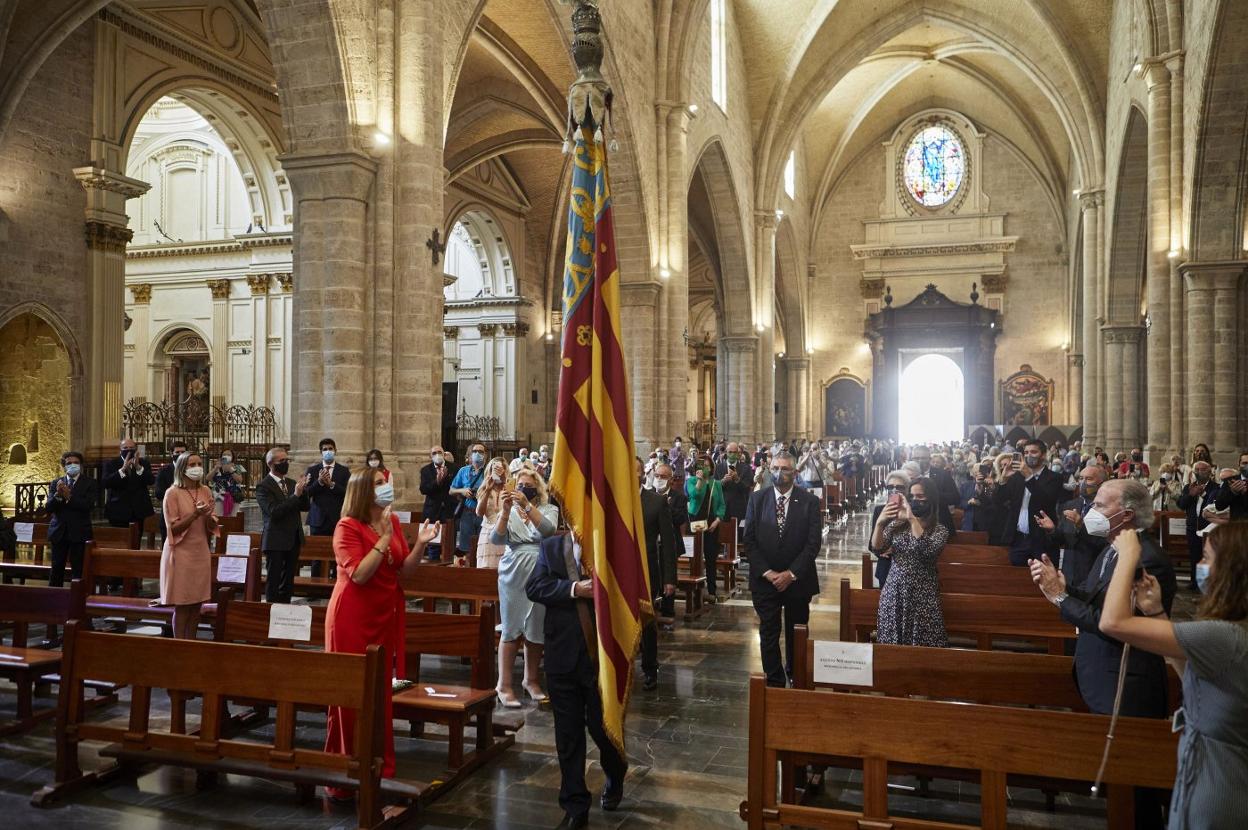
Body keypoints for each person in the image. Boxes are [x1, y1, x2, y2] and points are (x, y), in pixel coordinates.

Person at [1099, 522, 1248, 830]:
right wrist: (1155, 612)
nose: (1199, 566)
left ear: (1232, 570)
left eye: (1206, 558)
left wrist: (1127, 554)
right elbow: (1197, 681)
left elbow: (1113, 622)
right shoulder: (1231, 633)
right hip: (1207, 770)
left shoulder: (1224, 636)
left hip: (1219, 786)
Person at [323, 466, 440, 803]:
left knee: (379, 693)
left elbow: (403, 571)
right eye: (378, 483)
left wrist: (419, 544)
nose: (385, 486)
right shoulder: (347, 527)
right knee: (350, 694)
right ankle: (346, 770)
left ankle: (378, 766)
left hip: (382, 614)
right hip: (351, 617)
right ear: (362, 491)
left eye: (384, 482)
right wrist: (385, 538)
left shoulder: (393, 523)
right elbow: (358, 575)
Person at [1028, 478, 1177, 718]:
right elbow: (1097, 599)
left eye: (1099, 506)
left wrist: (1061, 598)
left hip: (1124, 682)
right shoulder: (1111, 548)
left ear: (1126, 514)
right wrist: (1064, 587)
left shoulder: (1146, 560)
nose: (1090, 512)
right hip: (1100, 673)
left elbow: (1115, 624)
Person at [526, 534, 628, 829]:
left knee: (601, 727)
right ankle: (575, 806)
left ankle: (616, 770)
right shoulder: (552, 547)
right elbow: (534, 586)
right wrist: (573, 589)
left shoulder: (610, 545)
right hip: (562, 654)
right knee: (567, 735)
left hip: (600, 658)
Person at [743, 451, 822, 687]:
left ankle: (796, 674)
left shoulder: (809, 501)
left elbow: (812, 543)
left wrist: (791, 574)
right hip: (765, 580)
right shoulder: (758, 499)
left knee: (797, 632)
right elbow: (749, 541)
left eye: (785, 469)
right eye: (775, 468)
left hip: (798, 580)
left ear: (795, 472)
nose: (779, 473)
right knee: (768, 631)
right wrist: (767, 572)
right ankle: (774, 681)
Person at [489, 467, 558, 707]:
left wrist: (528, 506)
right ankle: (504, 684)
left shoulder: (549, 509)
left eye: (528, 485)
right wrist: (506, 512)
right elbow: (496, 540)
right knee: (511, 628)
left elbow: (548, 531)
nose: (523, 489)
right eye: (520, 486)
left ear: (537, 488)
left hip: (540, 569)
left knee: (536, 628)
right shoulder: (508, 509)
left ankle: (531, 680)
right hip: (513, 571)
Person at [870, 478, 949, 647]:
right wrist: (880, 523)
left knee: (923, 645)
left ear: (931, 499)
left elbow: (927, 550)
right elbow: (878, 548)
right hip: (894, 592)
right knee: (892, 643)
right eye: (912, 496)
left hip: (923, 595)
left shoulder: (940, 530)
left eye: (920, 496)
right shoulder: (898, 524)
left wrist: (912, 519)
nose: (915, 500)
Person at [159, 452, 218, 639]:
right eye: (192, 464)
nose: (197, 467)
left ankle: (192, 643)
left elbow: (211, 525)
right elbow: (173, 528)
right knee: (183, 603)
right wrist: (194, 514)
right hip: (180, 551)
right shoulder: (172, 493)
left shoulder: (206, 490)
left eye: (199, 463)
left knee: (197, 603)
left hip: (200, 550)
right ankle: (179, 645)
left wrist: (209, 517)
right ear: (182, 468)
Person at [636, 457, 677, 690]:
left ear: (644, 473)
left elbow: (668, 543)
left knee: (647, 622)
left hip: (647, 571)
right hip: (619, 573)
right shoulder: (613, 501)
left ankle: (650, 668)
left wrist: (669, 578)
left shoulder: (655, 502)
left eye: (636, 470)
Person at [1036, 462, 1107, 591]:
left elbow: (1102, 543)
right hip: (1069, 571)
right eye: (1080, 478)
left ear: (1101, 484)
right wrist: (1052, 530)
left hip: (1093, 572)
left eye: (1089, 479)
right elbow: (1063, 540)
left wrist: (1081, 525)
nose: (1083, 483)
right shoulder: (1070, 505)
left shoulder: (1106, 509)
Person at [993, 439, 1066, 565]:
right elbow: (998, 501)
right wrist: (1003, 480)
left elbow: (1045, 502)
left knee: (1042, 580)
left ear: (1043, 455)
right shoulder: (1017, 477)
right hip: (1018, 539)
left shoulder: (1054, 478)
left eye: (1033, 452)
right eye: (1026, 452)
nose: (1028, 455)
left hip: (1042, 540)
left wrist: (1028, 476)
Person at [254, 447, 311, 603]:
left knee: (288, 582)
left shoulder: (291, 483)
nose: (286, 463)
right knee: (274, 581)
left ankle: (285, 611)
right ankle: (272, 613)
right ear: (271, 464)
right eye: (282, 461)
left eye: (287, 460)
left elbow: (305, 507)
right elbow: (274, 512)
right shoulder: (263, 487)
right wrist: (295, 495)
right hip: (275, 540)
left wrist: (304, 491)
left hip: (293, 538)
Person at [46, 450, 97, 587]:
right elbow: (49, 508)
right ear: (64, 466)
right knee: (56, 569)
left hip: (79, 533)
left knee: (78, 570)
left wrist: (69, 497)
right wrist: (58, 495)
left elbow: (88, 506)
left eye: (76, 463)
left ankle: (78, 601)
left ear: (81, 465)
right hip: (59, 532)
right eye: (69, 463)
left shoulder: (90, 483)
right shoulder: (56, 482)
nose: (72, 465)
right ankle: (53, 601)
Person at [305, 437, 350, 577]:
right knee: (317, 555)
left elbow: (348, 492)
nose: (328, 451)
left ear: (335, 450)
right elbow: (307, 493)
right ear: (321, 452)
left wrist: (331, 485)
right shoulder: (313, 470)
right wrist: (319, 482)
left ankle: (335, 583)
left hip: (336, 517)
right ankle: (314, 587)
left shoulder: (344, 471)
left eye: (330, 449)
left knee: (337, 553)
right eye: (325, 449)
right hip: (318, 518)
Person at [684, 454, 726, 602]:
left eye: (708, 466)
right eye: (702, 465)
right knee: (694, 557)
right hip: (695, 521)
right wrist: (700, 480)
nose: (705, 468)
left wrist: (718, 520)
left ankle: (712, 591)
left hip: (711, 524)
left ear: (712, 467)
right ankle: (694, 589)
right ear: (697, 467)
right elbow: (694, 495)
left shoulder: (717, 484)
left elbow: (721, 504)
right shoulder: (691, 481)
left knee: (710, 557)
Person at [1176, 461, 1219, 588]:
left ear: (1209, 471)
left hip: (1208, 527)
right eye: (1197, 469)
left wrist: (1203, 494)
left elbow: (1216, 504)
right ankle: (1195, 582)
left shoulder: (1216, 487)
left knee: (1208, 555)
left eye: (1203, 469)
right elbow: (1181, 504)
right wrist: (1191, 495)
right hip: (1192, 527)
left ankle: (1208, 583)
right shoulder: (1188, 487)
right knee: (1194, 555)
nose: (1199, 472)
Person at [867, 470, 911, 588]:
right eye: (890, 486)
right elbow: (872, 545)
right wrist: (881, 552)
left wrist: (897, 547)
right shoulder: (879, 510)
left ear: (907, 489)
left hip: (909, 568)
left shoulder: (912, 510)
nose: (894, 490)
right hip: (886, 567)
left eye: (899, 487)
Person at [449, 442, 488, 565]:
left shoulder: (489, 471)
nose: (478, 454)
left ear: (485, 455)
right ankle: (468, 571)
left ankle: (481, 570)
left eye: (481, 452)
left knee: (483, 545)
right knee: (466, 547)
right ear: (470, 455)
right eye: (475, 451)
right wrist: (463, 490)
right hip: (468, 512)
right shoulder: (463, 471)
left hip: (484, 513)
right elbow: (451, 490)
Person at [103, 437, 155, 529]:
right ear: (120, 450)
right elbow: (106, 483)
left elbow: (151, 480)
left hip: (139, 510)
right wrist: (122, 470)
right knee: (119, 541)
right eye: (125, 448)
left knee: (136, 539)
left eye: (131, 448)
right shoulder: (111, 464)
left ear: (136, 449)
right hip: (118, 510)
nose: (128, 450)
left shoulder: (144, 463)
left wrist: (139, 468)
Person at [908, 446, 959, 535]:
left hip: (938, 522)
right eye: (916, 458)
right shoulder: (906, 474)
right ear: (911, 459)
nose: (919, 461)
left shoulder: (942, 474)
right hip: (911, 524)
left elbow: (955, 498)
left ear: (929, 459)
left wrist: (931, 493)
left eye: (923, 458)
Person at [419, 444, 456, 560]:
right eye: (434, 453)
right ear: (431, 456)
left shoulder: (454, 468)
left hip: (449, 509)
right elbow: (423, 489)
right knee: (432, 544)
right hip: (432, 510)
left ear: (444, 454)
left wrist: (445, 478)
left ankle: (449, 563)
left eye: (439, 452)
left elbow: (456, 487)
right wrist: (437, 481)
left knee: (449, 541)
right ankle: (433, 563)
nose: (437, 455)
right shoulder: (426, 470)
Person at [473, 457, 508, 568]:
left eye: (500, 469)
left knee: (505, 569)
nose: (497, 472)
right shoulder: (484, 489)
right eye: (495, 469)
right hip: (487, 534)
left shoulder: (510, 486)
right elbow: (479, 513)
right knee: (486, 569)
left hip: (506, 532)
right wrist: (488, 490)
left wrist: (505, 481)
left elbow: (515, 507)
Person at [155, 439, 187, 540]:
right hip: (169, 517)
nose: (180, 454)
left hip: (187, 516)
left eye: (183, 452)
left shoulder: (191, 470)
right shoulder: (164, 471)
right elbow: (159, 493)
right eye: (177, 452)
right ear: (171, 453)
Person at [714, 441, 753, 523]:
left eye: (734, 452)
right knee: (723, 534)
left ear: (738, 453)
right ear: (726, 453)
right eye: (730, 452)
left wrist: (737, 480)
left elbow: (747, 489)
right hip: (722, 508)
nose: (732, 454)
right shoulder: (718, 467)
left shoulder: (746, 468)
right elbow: (714, 489)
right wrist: (722, 482)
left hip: (739, 508)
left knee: (739, 534)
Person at [1214, 449, 1248, 519]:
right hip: (1237, 526)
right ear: (1239, 466)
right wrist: (1232, 493)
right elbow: (1219, 505)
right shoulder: (1230, 481)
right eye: (1245, 463)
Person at [209, 450, 244, 517]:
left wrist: (230, 469)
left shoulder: (237, 467)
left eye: (229, 455)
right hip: (219, 496)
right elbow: (208, 478)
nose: (226, 456)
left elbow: (239, 480)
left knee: (233, 517)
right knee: (219, 517)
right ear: (221, 456)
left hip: (234, 496)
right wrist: (216, 468)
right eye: (224, 454)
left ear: (232, 457)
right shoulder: (217, 466)